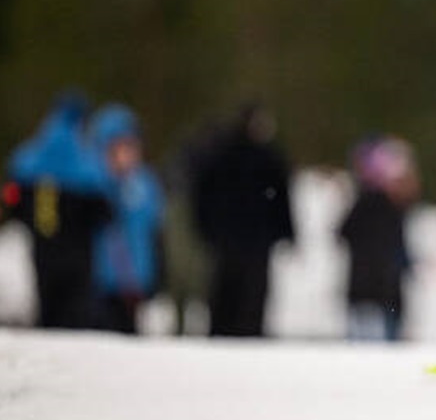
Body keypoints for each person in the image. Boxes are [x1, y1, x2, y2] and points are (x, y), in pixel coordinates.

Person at [4, 91, 113, 328]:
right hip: (78, 254)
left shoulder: (30, 157)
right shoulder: (87, 162)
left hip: (43, 249)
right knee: (74, 315)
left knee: (48, 309)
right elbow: (104, 211)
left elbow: (12, 199)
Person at [189, 103, 295, 337]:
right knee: (241, 299)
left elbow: (201, 197)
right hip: (244, 242)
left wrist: (207, 230)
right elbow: (203, 197)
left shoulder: (224, 156)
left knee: (237, 299)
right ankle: (239, 336)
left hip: (239, 242)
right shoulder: (253, 157)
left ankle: (233, 336)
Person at [87, 103, 166, 334]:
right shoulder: (92, 185)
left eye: (130, 147)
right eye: (118, 148)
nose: (126, 155)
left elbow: (152, 231)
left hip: (134, 285)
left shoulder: (145, 184)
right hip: (100, 286)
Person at [339, 135, 419, 342]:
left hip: (370, 284)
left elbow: (344, 232)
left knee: (368, 331)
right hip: (382, 284)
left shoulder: (368, 203)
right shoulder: (387, 206)